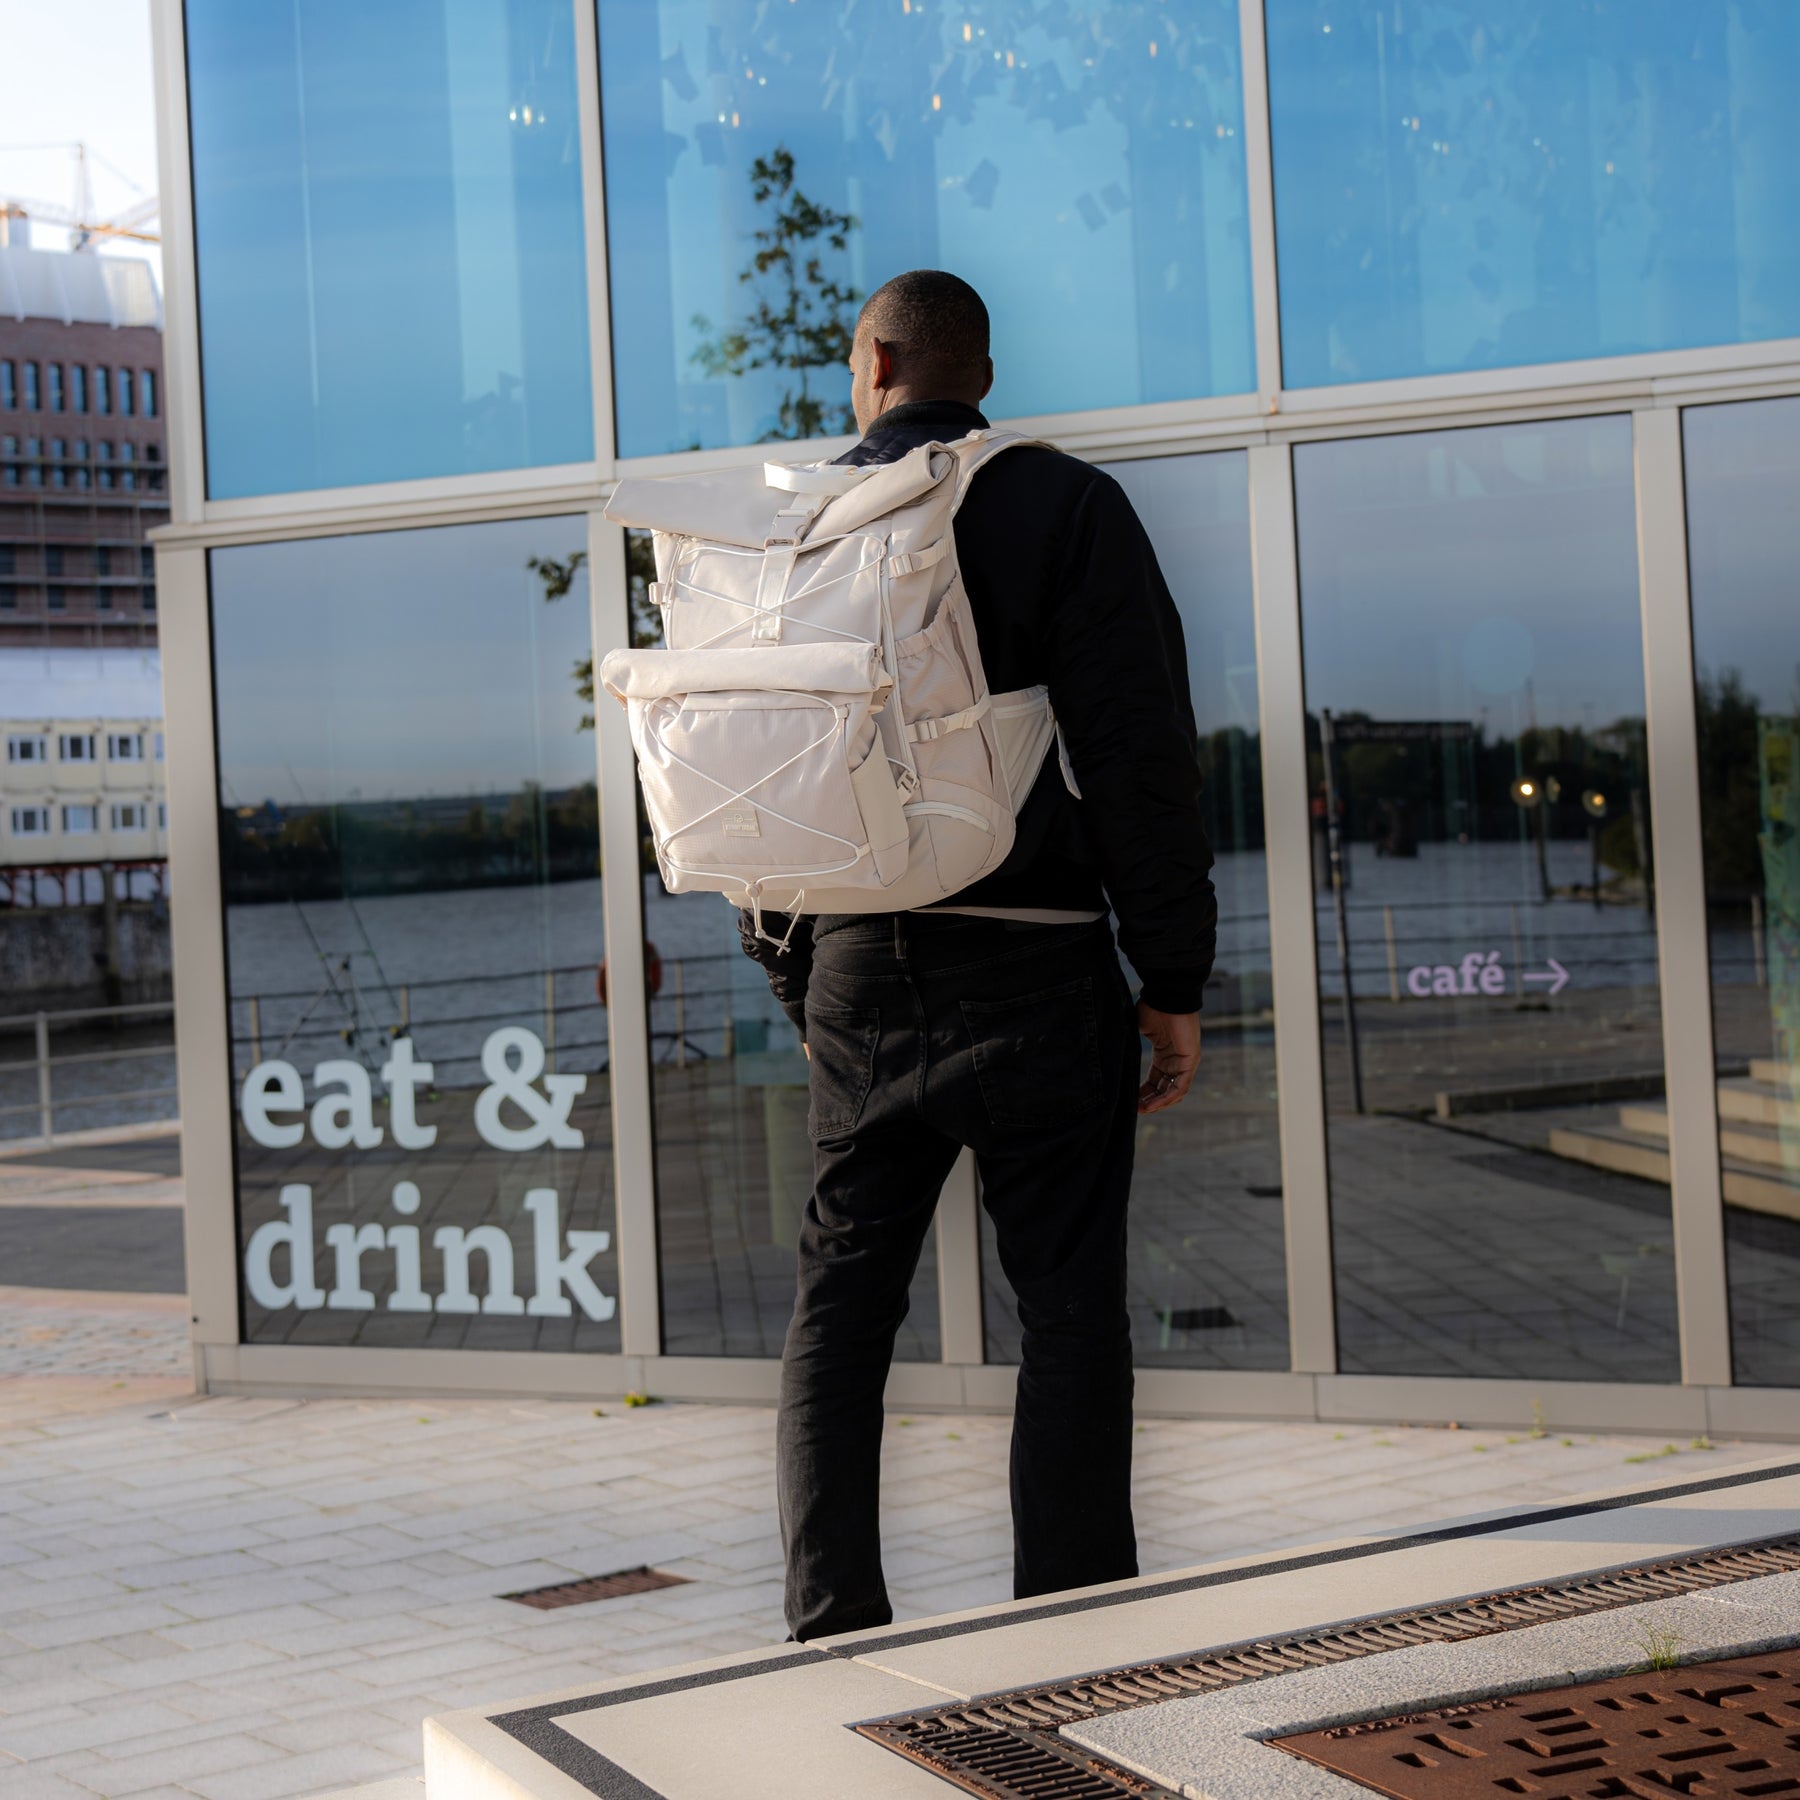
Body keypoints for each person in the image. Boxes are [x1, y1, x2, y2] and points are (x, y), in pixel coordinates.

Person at [739, 269, 1217, 1642]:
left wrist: (801, 977)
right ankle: (1066, 1640)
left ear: (874, 365)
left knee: (839, 1316)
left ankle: (831, 1628)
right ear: (983, 378)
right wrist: (1170, 979)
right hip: (1041, 963)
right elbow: (1137, 757)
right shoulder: (1064, 503)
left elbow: (750, 770)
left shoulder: (796, 529)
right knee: (1067, 1315)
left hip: (858, 968)